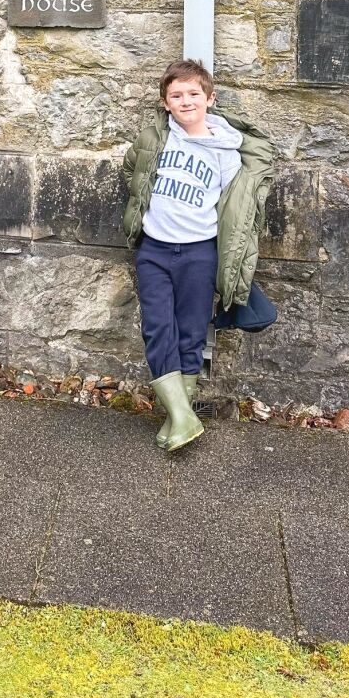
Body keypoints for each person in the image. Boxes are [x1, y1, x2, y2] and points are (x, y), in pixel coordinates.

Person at [121, 58, 275, 451]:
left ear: (210, 98)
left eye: (193, 93)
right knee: (157, 327)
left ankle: (178, 416)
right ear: (165, 102)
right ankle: (182, 416)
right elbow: (131, 172)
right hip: (154, 249)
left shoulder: (226, 150)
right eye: (176, 95)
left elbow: (235, 208)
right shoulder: (156, 139)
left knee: (191, 332)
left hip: (199, 254)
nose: (186, 101)